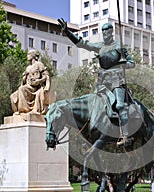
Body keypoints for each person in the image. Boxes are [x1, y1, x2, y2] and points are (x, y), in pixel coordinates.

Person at [58, 18, 135, 146]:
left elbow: (132, 63)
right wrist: (68, 32)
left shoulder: (119, 46)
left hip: (117, 81)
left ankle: (125, 136)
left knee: (120, 105)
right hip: (103, 83)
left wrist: (124, 64)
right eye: (103, 31)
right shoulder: (100, 46)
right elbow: (83, 44)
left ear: (111, 32)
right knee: (92, 106)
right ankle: (91, 136)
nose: (105, 33)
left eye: (107, 31)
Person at [10, 49, 50, 115]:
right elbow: (24, 82)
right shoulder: (28, 68)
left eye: (28, 54)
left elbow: (46, 76)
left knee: (22, 89)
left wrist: (41, 83)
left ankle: (24, 110)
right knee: (13, 96)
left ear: (33, 55)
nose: (27, 56)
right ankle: (17, 111)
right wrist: (24, 77)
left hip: (35, 88)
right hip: (28, 86)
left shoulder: (39, 64)